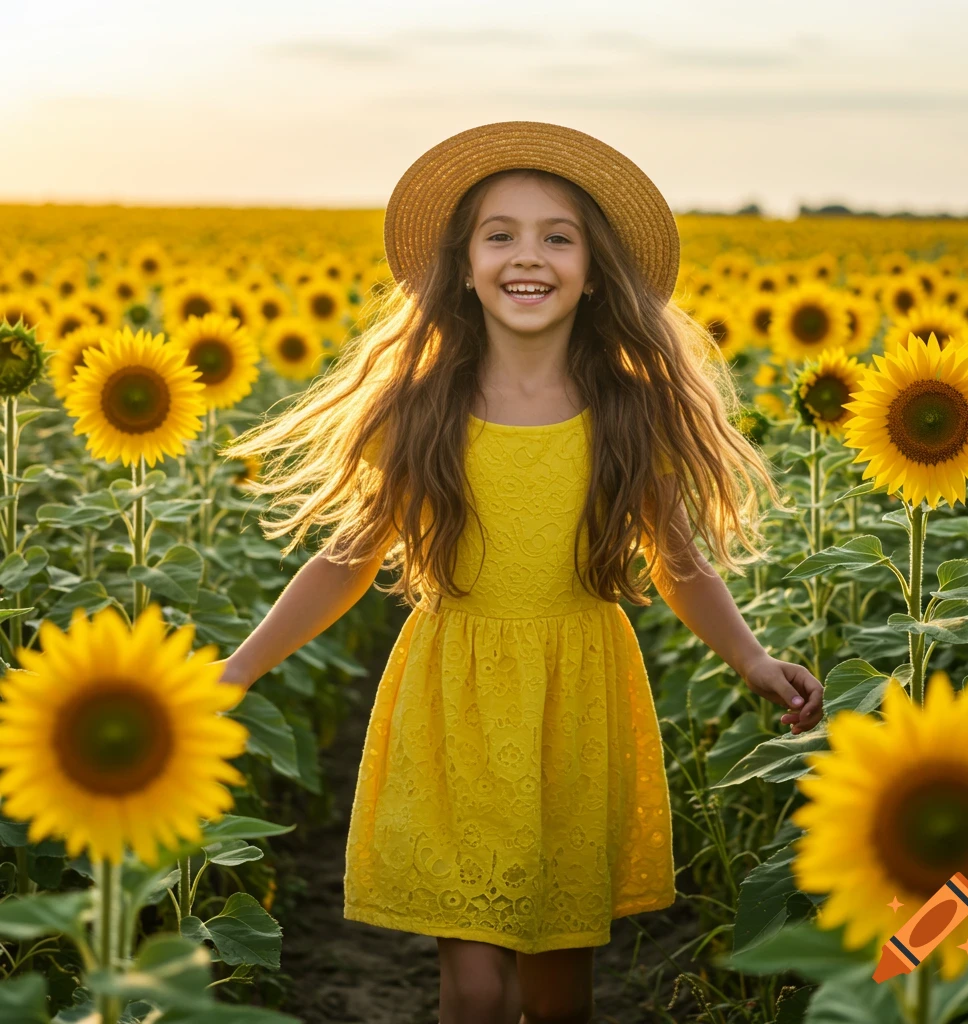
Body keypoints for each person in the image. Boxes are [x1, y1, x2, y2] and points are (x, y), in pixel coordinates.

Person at [216, 120, 824, 1024]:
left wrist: (750, 658)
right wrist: (237, 670)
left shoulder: (628, 406)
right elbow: (347, 559)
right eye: (499, 234)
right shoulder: (422, 406)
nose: (526, 256)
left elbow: (678, 560)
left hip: (574, 701)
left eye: (557, 236)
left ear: (592, 266)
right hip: (454, 698)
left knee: (558, 985)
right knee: (471, 978)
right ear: (463, 267)